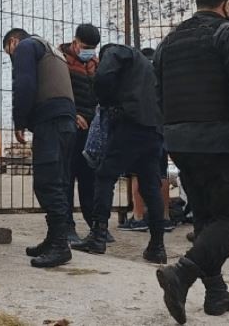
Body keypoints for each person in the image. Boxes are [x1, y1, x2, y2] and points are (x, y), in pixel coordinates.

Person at [154, 0, 229, 323]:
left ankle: (216, 294)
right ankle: (182, 275)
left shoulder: (169, 41)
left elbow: (158, 93)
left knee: (206, 216)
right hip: (219, 139)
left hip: (181, 142)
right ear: (227, 3)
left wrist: (172, 134)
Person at [71, 44, 166, 266]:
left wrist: (105, 101)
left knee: (105, 175)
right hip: (153, 128)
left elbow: (103, 78)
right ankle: (157, 246)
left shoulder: (115, 51)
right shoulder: (144, 66)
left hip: (130, 124)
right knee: (150, 184)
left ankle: (98, 236)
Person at [3, 28, 76, 268]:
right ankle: (54, 238)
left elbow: (24, 84)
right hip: (66, 121)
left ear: (13, 42)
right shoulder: (52, 50)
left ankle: (60, 245)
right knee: (59, 181)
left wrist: (19, 121)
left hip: (50, 122)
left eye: (8, 53)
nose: (12, 58)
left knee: (46, 183)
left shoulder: (25, 46)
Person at [118, 47, 175, 233]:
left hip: (141, 128)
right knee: (162, 172)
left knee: (136, 173)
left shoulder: (138, 77)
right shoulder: (162, 75)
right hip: (161, 129)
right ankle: (165, 217)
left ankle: (139, 216)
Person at [59, 24, 100, 244]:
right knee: (66, 178)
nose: (89, 52)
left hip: (90, 130)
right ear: (75, 42)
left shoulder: (95, 64)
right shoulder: (59, 60)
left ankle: (94, 224)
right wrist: (72, 113)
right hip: (69, 126)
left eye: (93, 48)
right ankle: (67, 226)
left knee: (89, 178)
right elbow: (54, 90)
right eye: (85, 47)